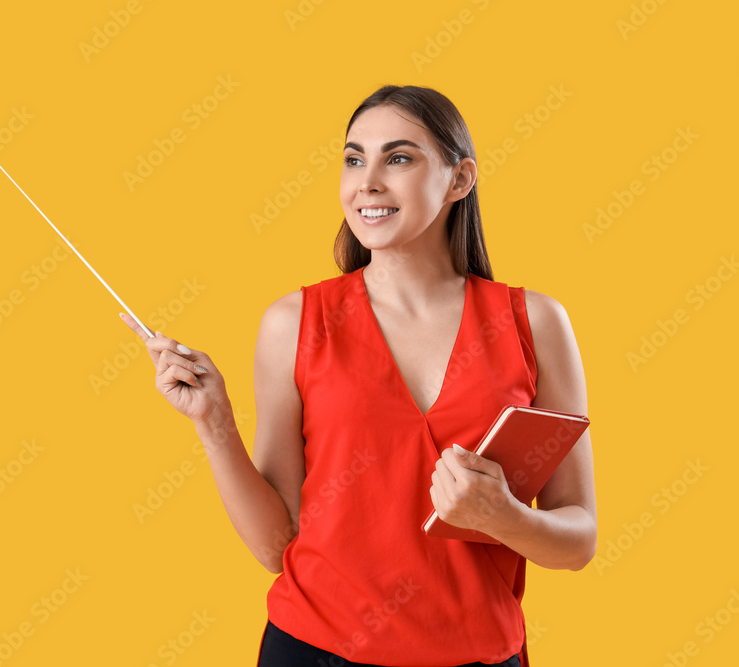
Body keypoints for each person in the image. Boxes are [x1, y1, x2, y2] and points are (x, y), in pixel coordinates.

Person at [119, 84, 596, 667]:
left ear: (459, 179)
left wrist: (505, 518)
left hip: (482, 658)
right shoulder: (293, 323)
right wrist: (213, 421)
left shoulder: (535, 323)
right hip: (314, 651)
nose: (367, 181)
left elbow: (578, 540)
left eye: (398, 158)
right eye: (353, 158)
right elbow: (277, 546)